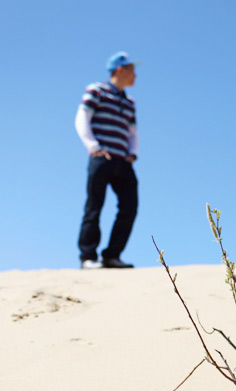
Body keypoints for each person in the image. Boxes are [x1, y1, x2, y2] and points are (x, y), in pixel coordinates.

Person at [74, 51, 140, 269]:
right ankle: (88, 257)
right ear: (120, 70)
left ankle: (112, 255)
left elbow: (133, 132)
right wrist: (93, 147)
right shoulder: (97, 90)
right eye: (132, 70)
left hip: (123, 162)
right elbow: (82, 118)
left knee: (130, 206)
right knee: (94, 206)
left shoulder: (129, 102)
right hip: (101, 159)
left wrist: (133, 153)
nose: (135, 75)